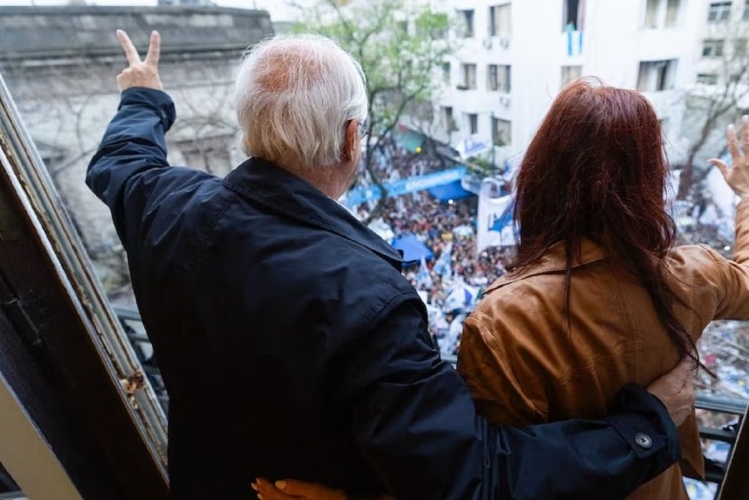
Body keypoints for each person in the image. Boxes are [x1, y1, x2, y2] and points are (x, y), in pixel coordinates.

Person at [87, 31, 696, 499]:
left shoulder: (164, 207)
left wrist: (142, 95)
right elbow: (473, 479)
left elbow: (119, 163)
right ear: (353, 138)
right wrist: (641, 431)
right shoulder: (365, 300)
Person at [454, 81, 749, 498]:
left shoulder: (503, 322)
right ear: (650, 180)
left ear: (540, 175)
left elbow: (494, 476)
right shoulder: (695, 276)